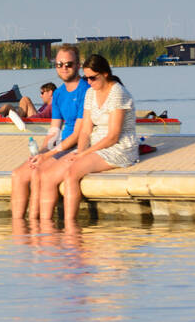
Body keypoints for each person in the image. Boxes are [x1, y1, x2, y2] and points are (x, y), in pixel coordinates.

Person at [40, 55, 138, 223]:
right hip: (94, 145)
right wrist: (81, 150)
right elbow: (85, 130)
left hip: (118, 147)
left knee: (72, 172)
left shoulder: (117, 93)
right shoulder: (90, 93)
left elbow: (113, 137)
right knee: (48, 175)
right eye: (86, 78)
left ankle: (71, 226)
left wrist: (83, 155)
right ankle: (45, 225)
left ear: (105, 74)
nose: (89, 82)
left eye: (93, 77)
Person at [10, 45, 88, 220]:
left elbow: (78, 134)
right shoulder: (59, 94)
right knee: (18, 174)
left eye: (68, 64)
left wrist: (49, 155)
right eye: (59, 64)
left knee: (40, 174)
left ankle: (41, 229)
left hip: (76, 147)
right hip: (60, 147)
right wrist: (41, 152)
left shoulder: (85, 90)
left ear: (78, 65)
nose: (64, 68)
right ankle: (20, 228)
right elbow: (54, 129)